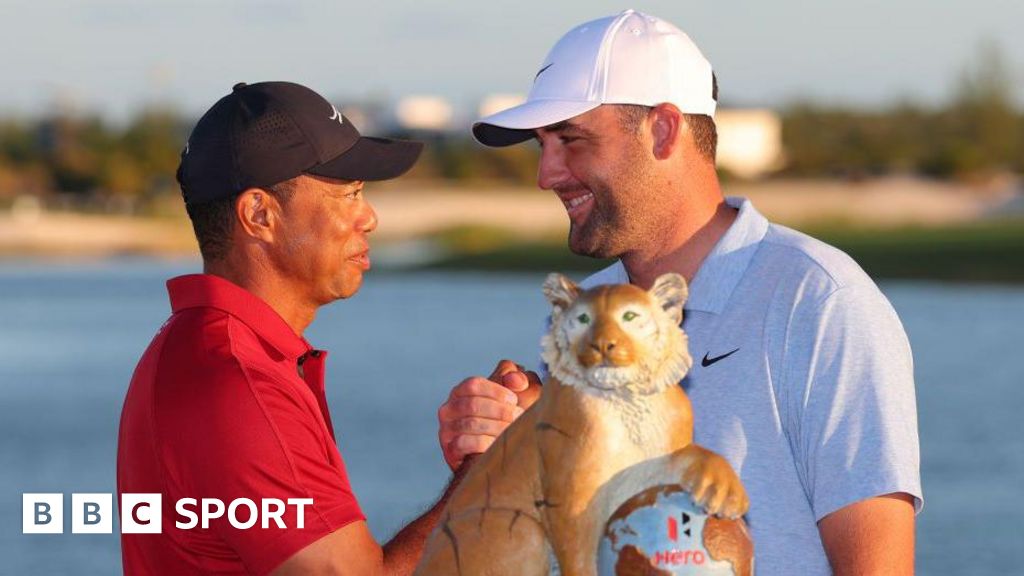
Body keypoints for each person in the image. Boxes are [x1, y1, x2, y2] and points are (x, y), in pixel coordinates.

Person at [437, 10, 922, 575]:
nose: (547, 174)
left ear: (664, 130)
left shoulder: (818, 301)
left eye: (571, 139)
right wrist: (495, 460)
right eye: (542, 145)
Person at [117, 81, 452, 575]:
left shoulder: (201, 349)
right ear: (259, 214)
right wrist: (493, 470)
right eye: (349, 194)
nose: (370, 217)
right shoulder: (237, 383)